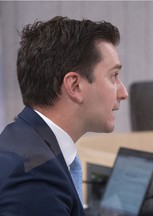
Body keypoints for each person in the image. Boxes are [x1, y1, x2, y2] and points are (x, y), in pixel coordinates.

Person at [0, 16, 128, 216]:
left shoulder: (22, 139)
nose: (123, 93)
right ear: (75, 86)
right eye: (113, 76)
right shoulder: (36, 178)